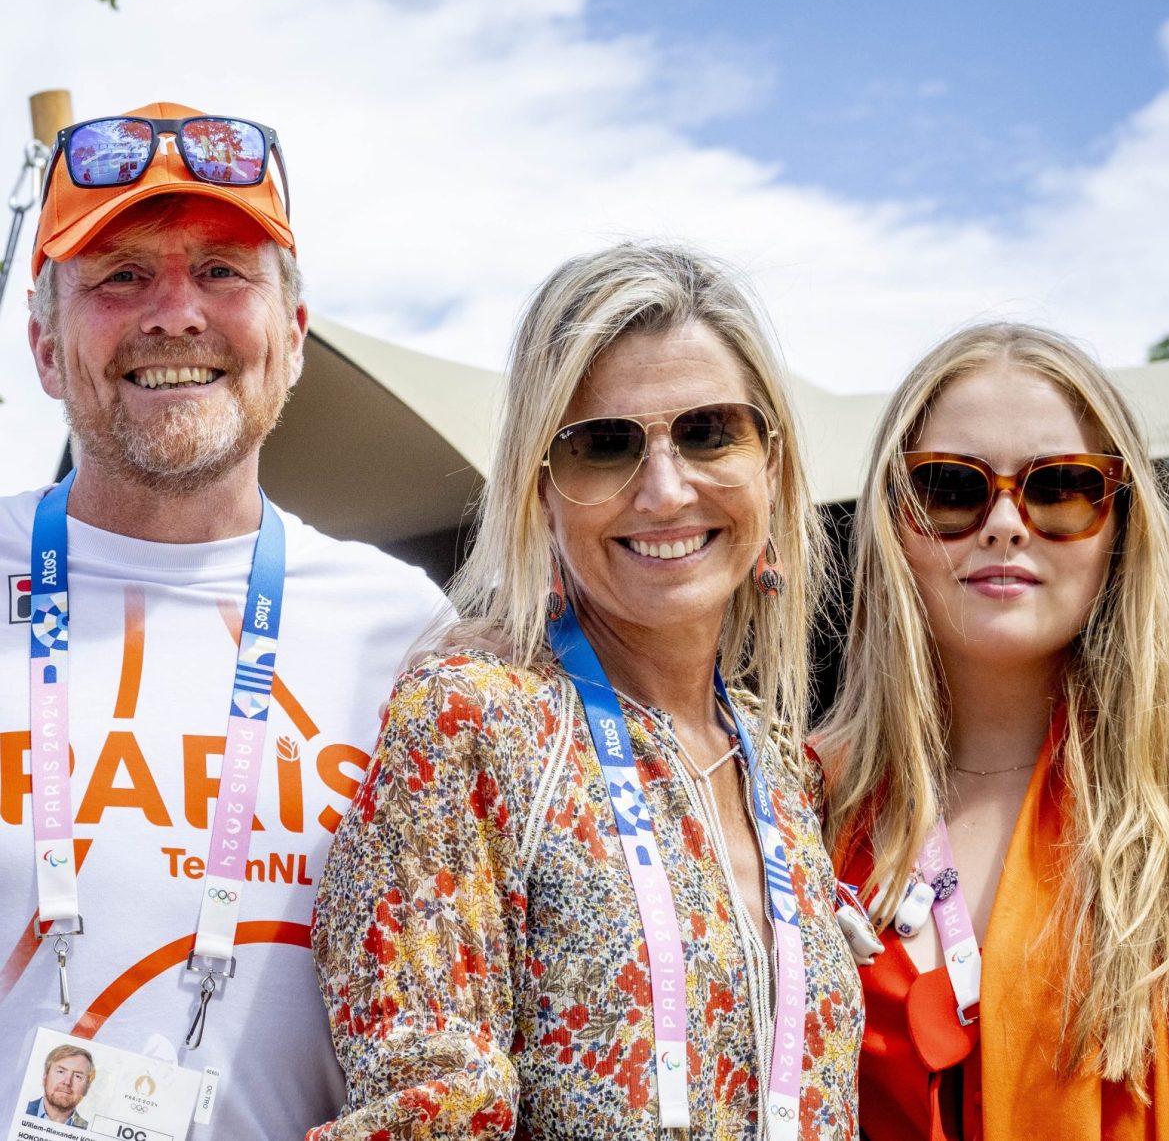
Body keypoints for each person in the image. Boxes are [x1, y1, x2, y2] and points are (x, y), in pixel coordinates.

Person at [310, 243, 863, 1139]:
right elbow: (429, 1116)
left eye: (710, 431)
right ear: (540, 488)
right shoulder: (475, 721)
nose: (666, 488)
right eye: (603, 446)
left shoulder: (778, 768)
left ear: (773, 462)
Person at [0, 102, 450, 1139]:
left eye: (222, 270)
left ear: (290, 339)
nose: (173, 313)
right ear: (44, 348)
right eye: (118, 275)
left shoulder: (406, 636)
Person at [819, 324, 1169, 1138]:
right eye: (950, 487)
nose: (1006, 523)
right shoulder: (794, 810)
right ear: (890, 522)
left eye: (1061, 487)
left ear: (1119, 525)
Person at [25, 1043, 94, 1128]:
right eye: (60, 1072)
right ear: (45, 1077)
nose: (67, 1082)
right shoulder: (20, 1110)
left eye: (77, 1076)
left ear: (86, 1088)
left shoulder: (88, 1130)